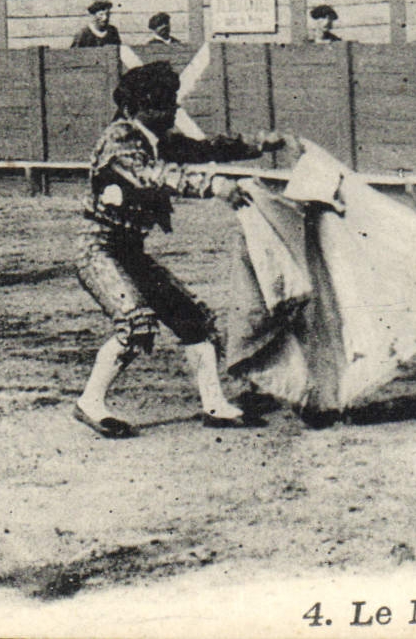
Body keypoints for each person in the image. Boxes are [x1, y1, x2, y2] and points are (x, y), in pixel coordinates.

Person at [73, 61, 286, 438]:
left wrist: (258, 143)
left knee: (192, 321)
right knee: (135, 322)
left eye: (171, 102)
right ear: (133, 109)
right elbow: (153, 176)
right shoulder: (120, 140)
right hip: (99, 249)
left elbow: (205, 149)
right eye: (159, 104)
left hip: (129, 251)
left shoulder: (155, 138)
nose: (170, 110)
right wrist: (214, 187)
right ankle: (90, 402)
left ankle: (215, 405)